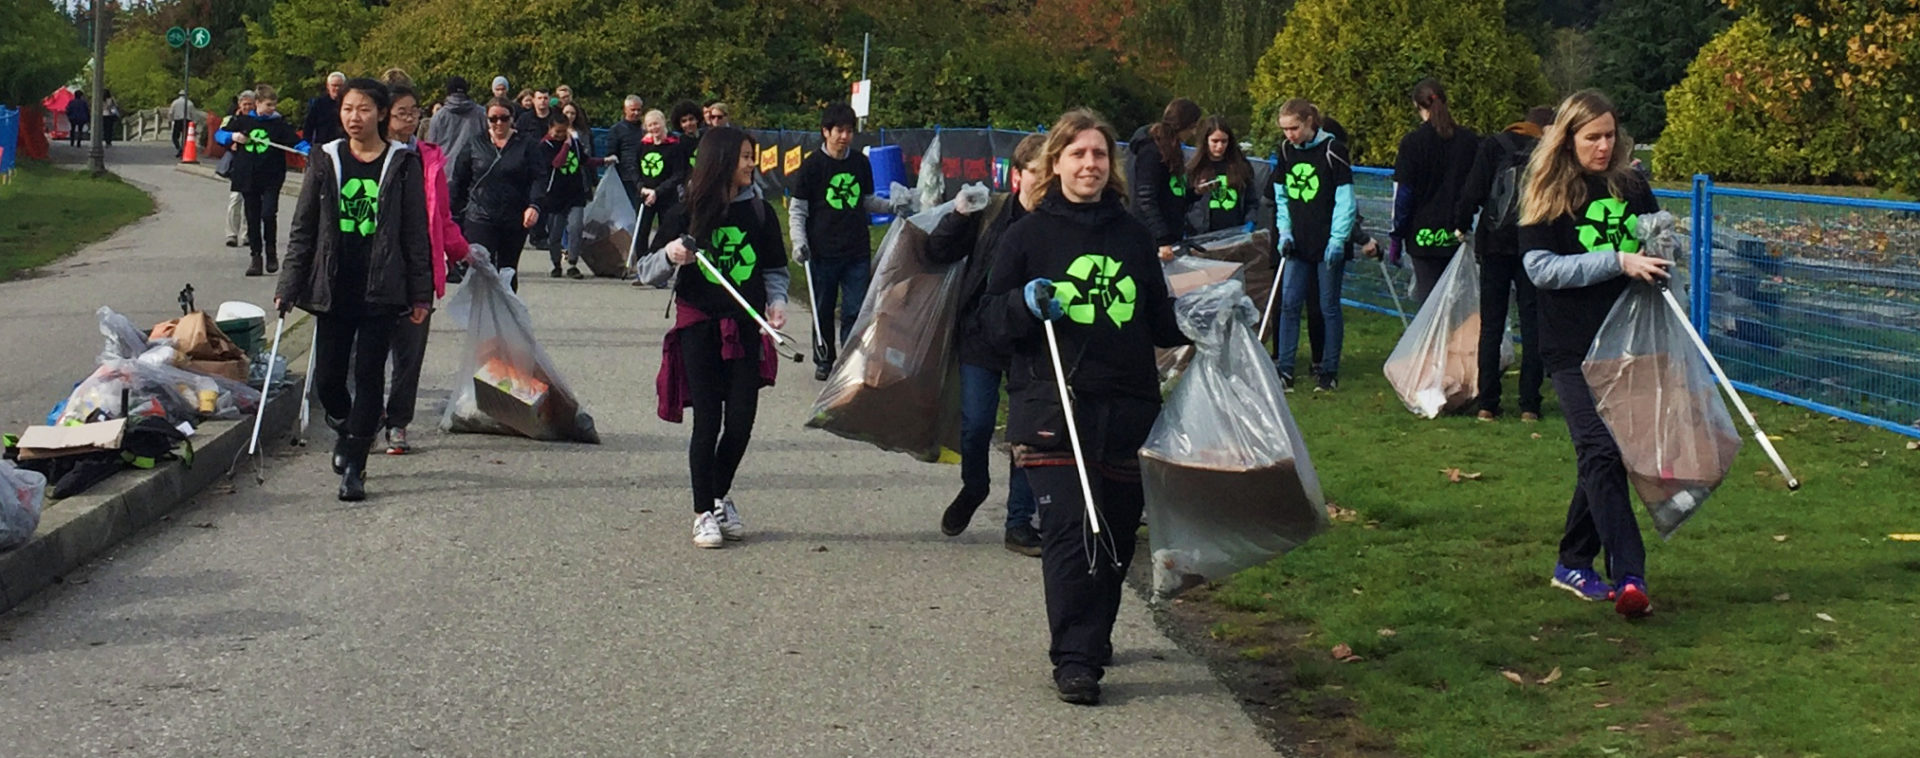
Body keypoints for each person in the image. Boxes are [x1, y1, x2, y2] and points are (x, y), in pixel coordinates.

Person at [979, 109, 1189, 705]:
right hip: (1053, 407)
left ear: (1110, 165)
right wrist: (1022, 304)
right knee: (1074, 531)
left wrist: (1209, 318)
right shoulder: (1026, 235)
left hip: (1126, 406)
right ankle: (1074, 659)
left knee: (1116, 537)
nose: (1089, 164)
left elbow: (1159, 320)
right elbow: (988, 323)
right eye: (1077, 154)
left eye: (1098, 154)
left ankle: (1092, 635)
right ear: (1056, 163)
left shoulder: (1134, 236)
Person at [1518, 90, 1669, 619]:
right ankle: (1631, 575)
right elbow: (1541, 269)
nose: (1604, 147)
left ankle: (1572, 560)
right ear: (1568, 138)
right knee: (1600, 452)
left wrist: (1661, 249)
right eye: (1592, 138)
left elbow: (1656, 243)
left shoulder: (1631, 184)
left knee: (1611, 455)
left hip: (1627, 342)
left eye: (1610, 136)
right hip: (1569, 345)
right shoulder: (1545, 190)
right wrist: (1616, 261)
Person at [275, 77, 432, 502]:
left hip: (381, 287)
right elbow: (303, 226)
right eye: (347, 109)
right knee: (328, 380)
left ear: (381, 113)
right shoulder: (325, 158)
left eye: (363, 109)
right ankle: (350, 428)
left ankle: (356, 464)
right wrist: (288, 285)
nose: (353, 118)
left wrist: (421, 294)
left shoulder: (402, 163)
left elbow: (416, 233)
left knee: (368, 375)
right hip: (334, 285)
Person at [635, 127, 792, 549]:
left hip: (745, 327)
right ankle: (703, 510)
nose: (750, 164)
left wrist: (775, 304)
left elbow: (775, 271)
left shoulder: (760, 212)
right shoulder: (686, 209)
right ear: (721, 159)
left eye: (751, 156)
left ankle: (720, 496)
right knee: (708, 421)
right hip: (699, 328)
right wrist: (672, 255)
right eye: (743, 156)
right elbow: (645, 269)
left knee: (741, 423)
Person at [927, 133, 1049, 556]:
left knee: (1027, 432)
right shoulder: (991, 212)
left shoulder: (1059, 223)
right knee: (977, 424)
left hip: (1031, 341)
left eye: (1053, 171)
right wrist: (959, 216)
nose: (1046, 180)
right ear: (1018, 175)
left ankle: (1019, 522)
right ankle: (974, 487)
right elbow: (937, 249)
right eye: (1038, 172)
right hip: (980, 333)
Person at [379, 77, 471, 455]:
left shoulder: (428, 157)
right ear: (384, 116)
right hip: (374, 269)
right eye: (403, 114)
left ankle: (398, 423)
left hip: (417, 269)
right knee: (368, 354)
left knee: (409, 354)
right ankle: (365, 420)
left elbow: (443, 217)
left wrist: (463, 251)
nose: (411, 120)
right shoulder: (368, 156)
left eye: (415, 113)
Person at [788, 103, 906, 380]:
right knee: (823, 309)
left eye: (849, 131)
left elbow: (865, 201)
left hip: (856, 251)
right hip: (822, 252)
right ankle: (824, 358)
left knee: (856, 309)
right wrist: (798, 242)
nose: (844, 137)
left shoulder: (860, 164)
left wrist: (892, 207)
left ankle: (851, 359)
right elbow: (798, 210)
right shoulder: (812, 166)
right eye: (839, 131)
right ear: (825, 132)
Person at [1456, 106, 1555, 422]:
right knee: (1533, 323)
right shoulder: (1547, 152)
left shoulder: (1493, 145)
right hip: (1534, 243)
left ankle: (1488, 402)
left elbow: (1473, 191)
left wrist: (1461, 225)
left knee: (1492, 324)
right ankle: (1529, 404)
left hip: (1494, 242)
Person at [1272, 99, 1357, 392]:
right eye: (1285, 129)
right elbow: (1281, 195)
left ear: (1310, 122)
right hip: (1297, 242)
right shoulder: (1285, 151)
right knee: (1289, 304)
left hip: (1326, 241)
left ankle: (1328, 370)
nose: (1290, 135)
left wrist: (1338, 239)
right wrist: (1284, 231)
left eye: (1294, 128)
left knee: (1327, 306)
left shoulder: (1334, 151)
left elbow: (1345, 199)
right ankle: (1284, 369)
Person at [1391, 78, 1481, 302]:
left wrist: (1396, 236)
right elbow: (1476, 188)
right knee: (1460, 305)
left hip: (1422, 237)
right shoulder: (1470, 141)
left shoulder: (1412, 143)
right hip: (1458, 233)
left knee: (1429, 306)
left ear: (1417, 106)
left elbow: (1404, 195)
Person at [448, 97, 548, 291]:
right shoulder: (475, 143)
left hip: (514, 216)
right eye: (493, 119)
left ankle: (506, 315)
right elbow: (459, 181)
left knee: (507, 270)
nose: (499, 123)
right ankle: (481, 317)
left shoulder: (526, 144)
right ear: (487, 119)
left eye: (504, 118)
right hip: (480, 216)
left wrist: (534, 205)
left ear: (512, 119)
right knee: (481, 269)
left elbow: (539, 178)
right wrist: (453, 216)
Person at [216, 84, 308, 277]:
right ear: (257, 103)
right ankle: (256, 257)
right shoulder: (242, 121)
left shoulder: (279, 124)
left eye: (274, 105)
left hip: (272, 176)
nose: (272, 109)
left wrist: (308, 150)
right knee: (252, 217)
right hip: (248, 176)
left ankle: (271, 253)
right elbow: (220, 134)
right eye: (268, 105)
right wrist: (234, 136)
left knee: (268, 214)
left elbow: (296, 142)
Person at [1127, 98, 1202, 260]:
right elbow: (1146, 198)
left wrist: (1195, 192)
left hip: (1171, 236)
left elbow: (1171, 195)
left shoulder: (1173, 149)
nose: (1193, 133)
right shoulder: (1151, 151)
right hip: (1151, 240)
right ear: (1183, 125)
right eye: (1193, 127)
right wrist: (1162, 239)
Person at [539, 108, 606, 279]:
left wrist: (604, 161)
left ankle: (573, 262)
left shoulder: (574, 143)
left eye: (564, 131)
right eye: (557, 132)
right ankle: (556, 263)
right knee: (555, 233)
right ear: (550, 129)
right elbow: (557, 163)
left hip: (575, 193)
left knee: (575, 228)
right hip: (554, 195)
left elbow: (584, 160)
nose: (561, 135)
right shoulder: (544, 146)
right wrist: (566, 145)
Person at [631, 109, 689, 263]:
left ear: (663, 123)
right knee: (642, 232)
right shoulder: (642, 146)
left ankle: (660, 264)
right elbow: (634, 169)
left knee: (666, 231)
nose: (653, 128)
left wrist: (658, 191)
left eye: (656, 124)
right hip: (644, 195)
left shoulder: (674, 146)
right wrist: (641, 188)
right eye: (649, 125)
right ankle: (642, 265)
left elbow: (678, 174)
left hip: (666, 197)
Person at [1184, 116, 1258, 234]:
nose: (1220, 146)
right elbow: (1184, 202)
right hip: (1201, 236)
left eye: (1224, 141)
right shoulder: (1193, 168)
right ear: (1205, 140)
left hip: (1235, 234)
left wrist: (1250, 221)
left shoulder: (1241, 166)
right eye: (1215, 141)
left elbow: (1251, 201)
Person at [221, 90, 257, 248]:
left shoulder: (260, 119)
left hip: (256, 164)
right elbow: (220, 136)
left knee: (252, 200)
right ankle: (231, 234)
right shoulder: (233, 119)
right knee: (235, 199)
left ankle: (247, 233)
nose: (247, 107)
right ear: (239, 105)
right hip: (239, 165)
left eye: (250, 104)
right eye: (245, 104)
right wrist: (232, 138)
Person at [426, 75, 487, 168]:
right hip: (475, 170)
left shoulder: (438, 117)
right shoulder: (481, 113)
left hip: (445, 172)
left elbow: (431, 151)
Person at [605, 95, 648, 206]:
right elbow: (612, 152)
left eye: (639, 110)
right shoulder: (616, 130)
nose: (636, 113)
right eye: (633, 110)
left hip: (645, 174)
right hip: (625, 177)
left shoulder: (646, 129)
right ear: (625, 110)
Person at [303, 72, 348, 147]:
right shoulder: (319, 103)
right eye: (334, 85)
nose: (337, 88)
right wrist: (306, 142)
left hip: (345, 146)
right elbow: (309, 125)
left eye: (340, 85)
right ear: (328, 86)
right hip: (323, 146)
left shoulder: (349, 103)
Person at [169, 90, 194, 157]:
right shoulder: (190, 103)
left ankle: (179, 148)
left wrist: (170, 120)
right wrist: (193, 123)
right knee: (185, 137)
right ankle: (184, 149)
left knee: (175, 137)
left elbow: (171, 113)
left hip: (178, 121)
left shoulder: (175, 102)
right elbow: (193, 114)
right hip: (187, 121)